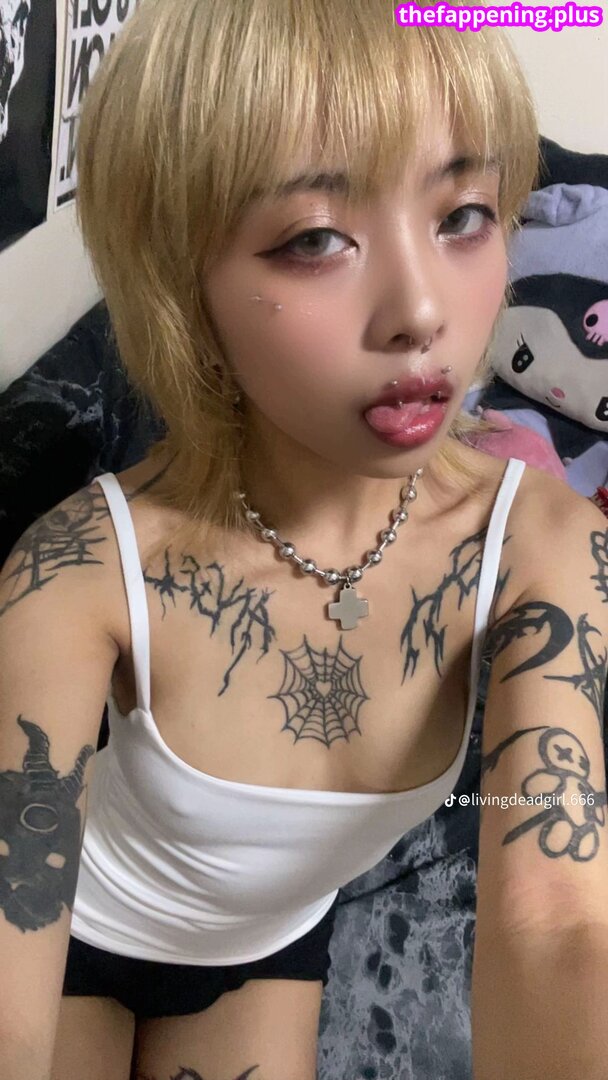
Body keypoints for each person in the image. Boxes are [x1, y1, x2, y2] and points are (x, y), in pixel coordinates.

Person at [1, 1, 607, 1078]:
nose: (421, 310)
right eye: (317, 238)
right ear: (183, 284)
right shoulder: (78, 573)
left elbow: (556, 920)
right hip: (86, 928)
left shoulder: (541, 550)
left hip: (267, 942)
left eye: (463, 215)